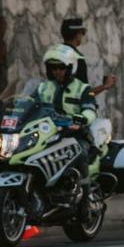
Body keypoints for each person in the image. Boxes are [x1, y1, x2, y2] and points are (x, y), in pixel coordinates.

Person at [32, 44, 99, 221]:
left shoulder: (82, 88)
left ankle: (84, 203)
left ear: (70, 68)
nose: (56, 71)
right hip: (48, 134)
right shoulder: (43, 88)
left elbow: (90, 109)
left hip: (75, 134)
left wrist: (82, 119)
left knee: (81, 154)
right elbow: (29, 104)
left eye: (61, 67)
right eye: (53, 67)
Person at [60, 18, 116, 96]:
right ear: (77, 34)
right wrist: (105, 86)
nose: (82, 36)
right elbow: (85, 95)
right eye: (82, 33)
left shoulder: (54, 54)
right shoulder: (77, 59)